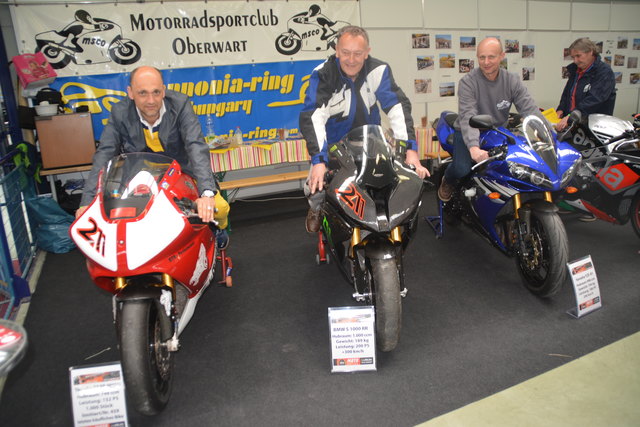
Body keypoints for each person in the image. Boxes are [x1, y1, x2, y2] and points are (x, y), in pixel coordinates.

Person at [76, 66, 230, 248]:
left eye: (156, 92)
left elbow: (195, 145)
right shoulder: (120, 112)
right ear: (130, 93)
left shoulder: (180, 104)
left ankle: (218, 229)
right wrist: (87, 203)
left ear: (163, 91)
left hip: (183, 172)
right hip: (142, 177)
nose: (151, 100)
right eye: (142, 93)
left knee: (220, 208)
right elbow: (104, 153)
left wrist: (206, 194)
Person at [299, 25, 429, 233]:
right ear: (336, 50)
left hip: (370, 142)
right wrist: (318, 160)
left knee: (385, 183)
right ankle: (316, 208)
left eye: (358, 53)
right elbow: (313, 115)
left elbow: (397, 107)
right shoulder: (323, 74)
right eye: (345, 52)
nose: (351, 60)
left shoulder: (378, 70)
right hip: (334, 146)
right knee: (317, 186)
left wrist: (410, 151)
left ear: (367, 52)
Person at [438, 37, 540, 202]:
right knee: (462, 168)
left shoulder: (512, 80)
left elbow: (529, 108)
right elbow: (468, 115)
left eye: (491, 57)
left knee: (513, 167)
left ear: (502, 56)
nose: (486, 62)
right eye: (482, 57)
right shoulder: (468, 82)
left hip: (497, 131)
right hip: (467, 131)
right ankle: (447, 179)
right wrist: (474, 148)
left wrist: (548, 134)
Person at [555, 37, 616, 132]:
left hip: (593, 127)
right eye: (573, 57)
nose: (575, 61)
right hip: (574, 123)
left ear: (591, 52)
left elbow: (594, 100)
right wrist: (561, 109)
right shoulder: (575, 70)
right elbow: (568, 94)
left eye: (578, 56)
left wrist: (571, 117)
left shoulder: (604, 72)